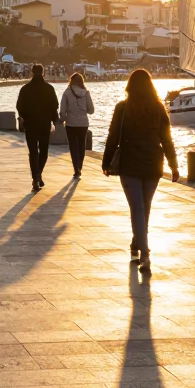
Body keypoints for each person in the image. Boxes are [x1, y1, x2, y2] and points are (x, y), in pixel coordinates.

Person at [102, 68, 179, 276]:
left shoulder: (122, 108)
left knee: (137, 209)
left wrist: (106, 162)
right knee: (144, 208)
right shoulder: (158, 108)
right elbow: (167, 139)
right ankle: (138, 244)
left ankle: (144, 253)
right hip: (153, 164)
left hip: (129, 165)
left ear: (130, 86)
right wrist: (173, 165)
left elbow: (112, 137)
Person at [16, 63, 59, 191]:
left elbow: (19, 107)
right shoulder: (49, 88)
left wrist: (26, 117)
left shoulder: (25, 89)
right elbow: (54, 106)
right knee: (44, 151)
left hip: (30, 124)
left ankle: (36, 177)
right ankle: (38, 174)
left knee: (33, 152)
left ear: (32, 72)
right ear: (43, 72)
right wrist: (54, 119)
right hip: (44, 124)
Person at [58, 72, 95, 178]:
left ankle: (76, 169)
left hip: (71, 123)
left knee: (73, 146)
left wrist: (63, 119)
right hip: (83, 123)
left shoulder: (67, 92)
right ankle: (80, 166)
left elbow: (62, 110)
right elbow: (91, 110)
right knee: (81, 145)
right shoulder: (86, 93)